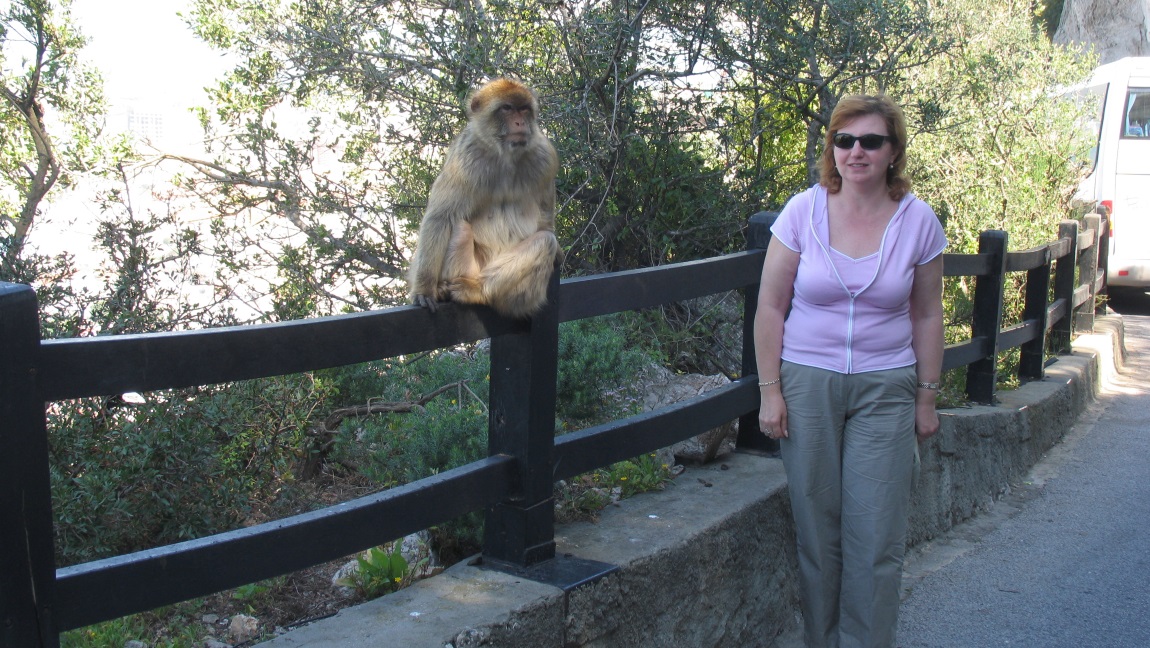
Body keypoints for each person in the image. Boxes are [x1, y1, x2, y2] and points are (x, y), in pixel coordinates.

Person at [753, 94, 946, 648]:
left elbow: (928, 314)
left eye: (870, 141)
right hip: (806, 384)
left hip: (887, 386)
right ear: (831, 149)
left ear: (893, 152)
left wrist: (927, 398)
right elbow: (770, 307)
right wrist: (771, 392)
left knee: (876, 537)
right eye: (844, 140)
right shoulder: (803, 212)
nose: (855, 152)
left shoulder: (919, 221)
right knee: (817, 531)